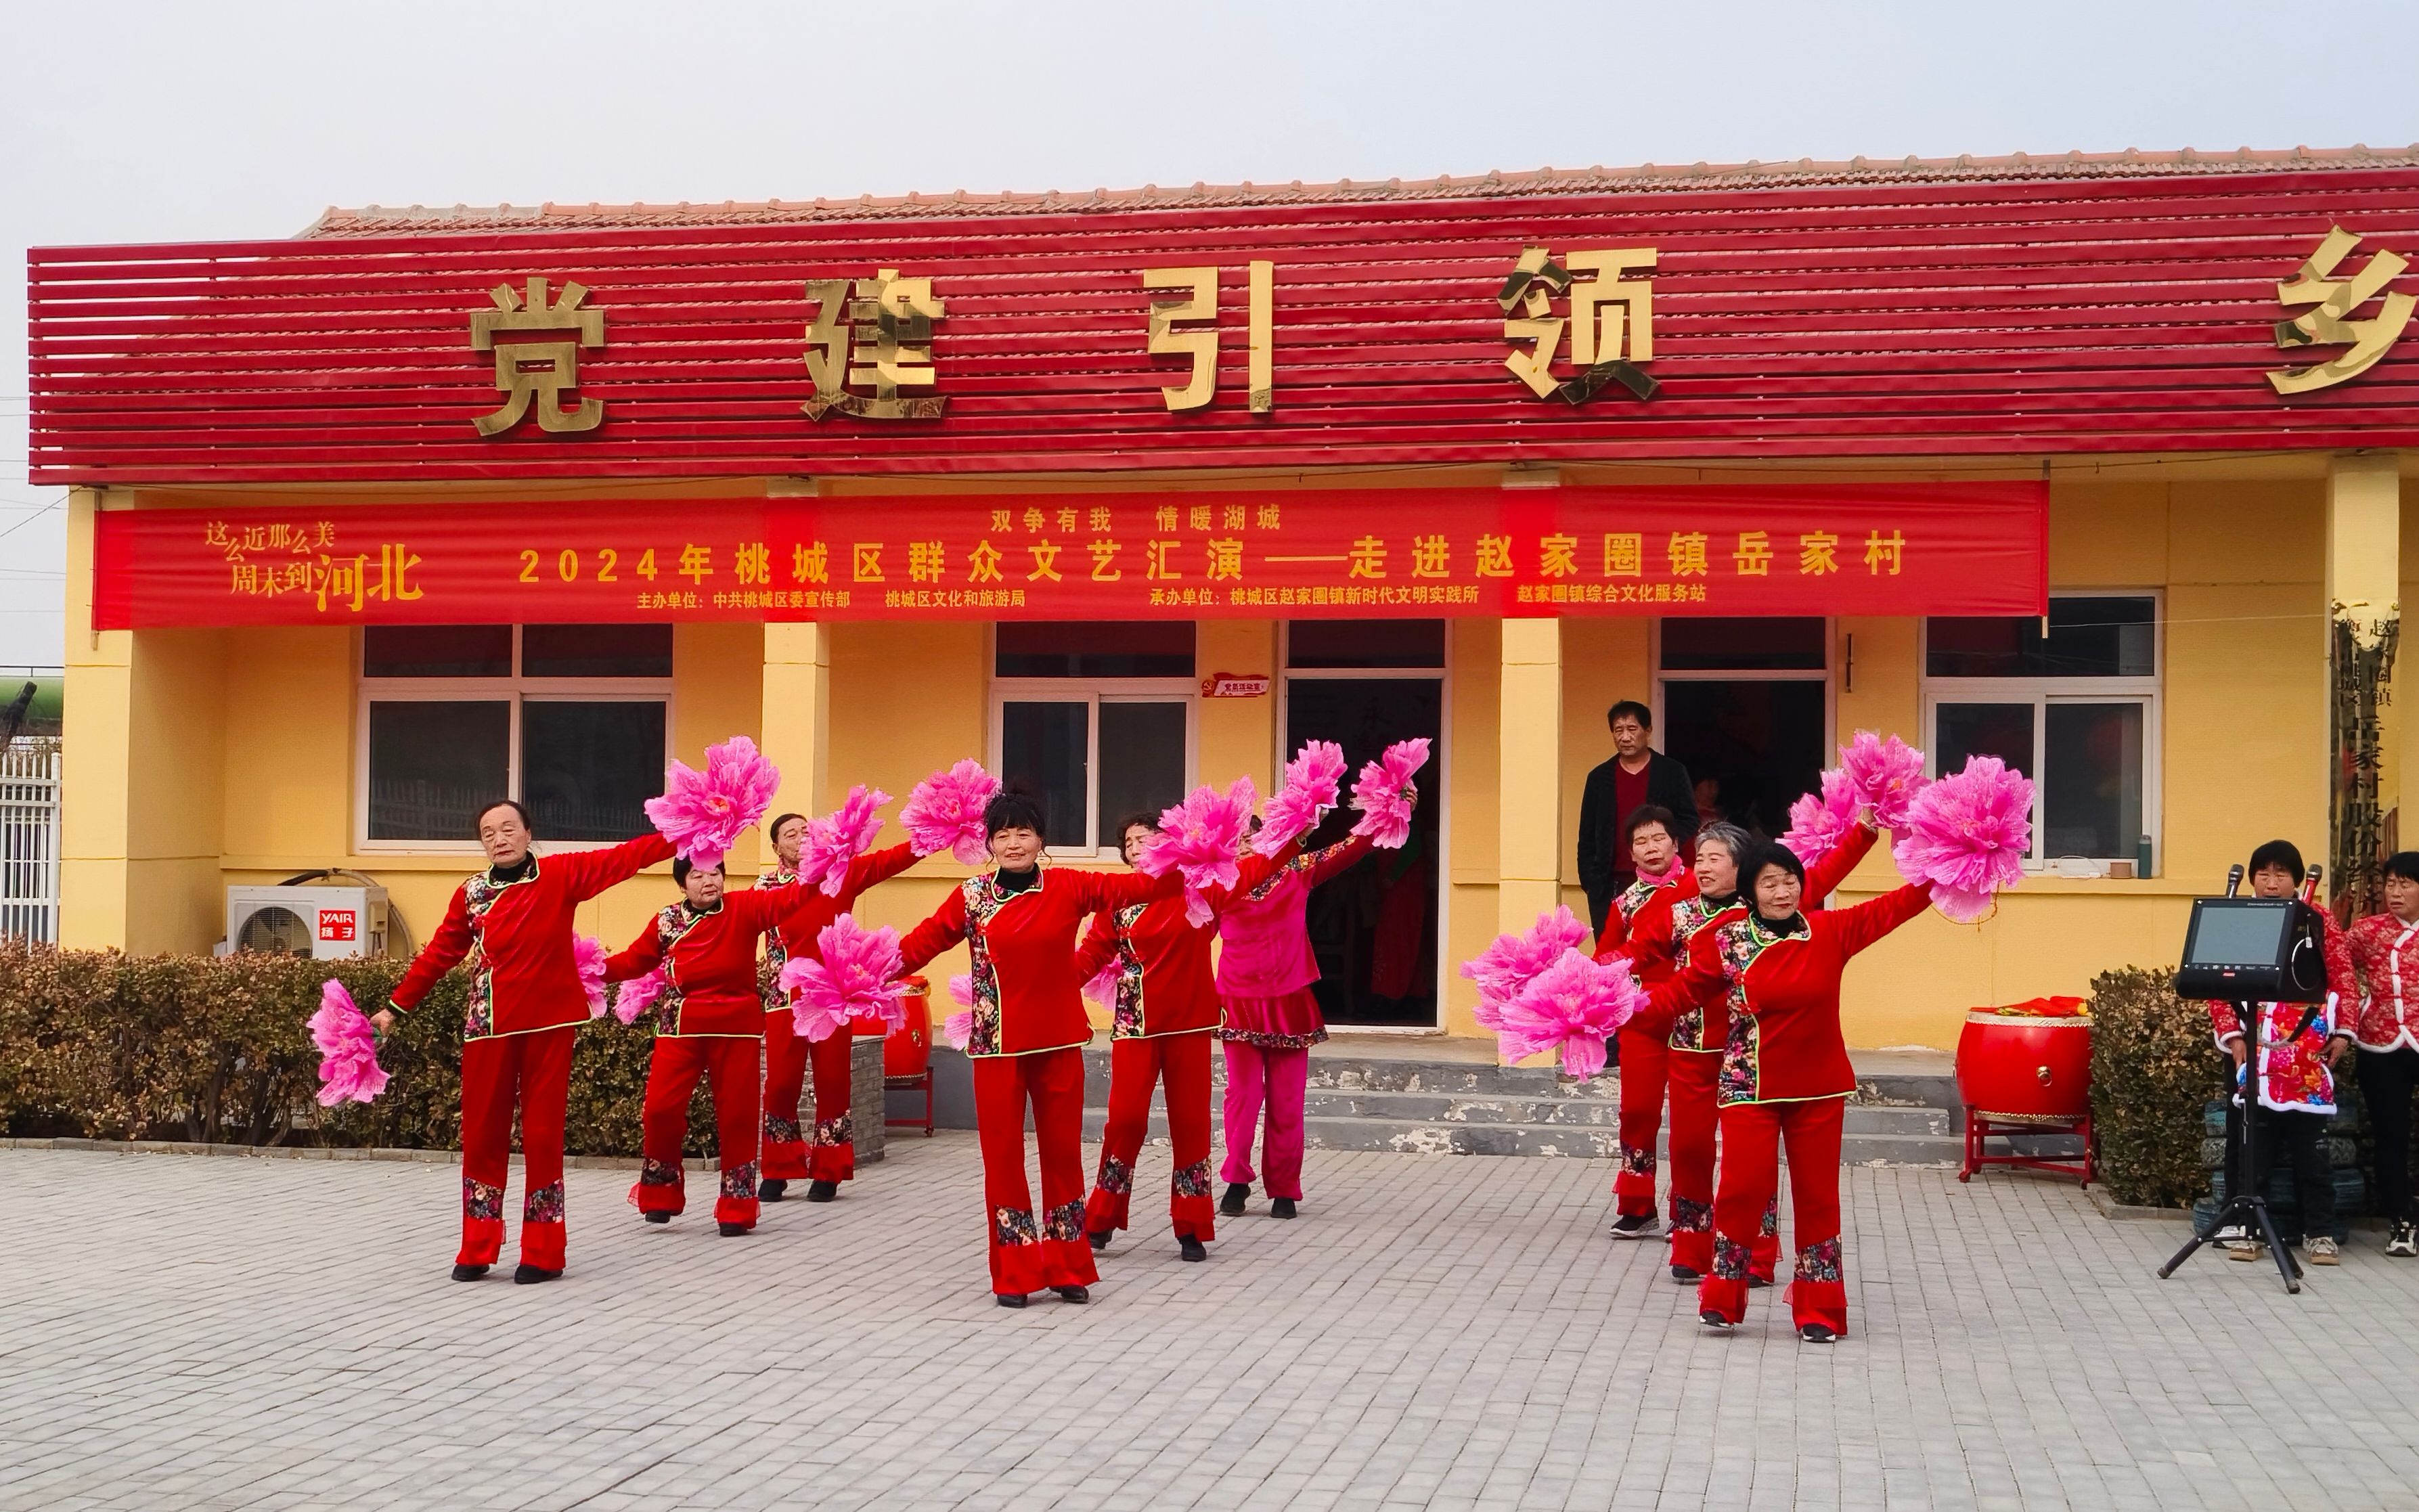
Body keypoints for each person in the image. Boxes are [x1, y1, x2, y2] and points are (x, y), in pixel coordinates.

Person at [897, 787, 1180, 1308]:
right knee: (1004, 1160)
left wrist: (1201, 859)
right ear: (989, 843)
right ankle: (1016, 1272)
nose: (1013, 844)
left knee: (1063, 1156)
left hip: (1059, 1042)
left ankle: (1068, 1265)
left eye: (1023, 833)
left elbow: (1142, 886)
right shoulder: (971, 897)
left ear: (1041, 839)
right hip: (997, 1046)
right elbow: (923, 943)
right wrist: (864, 974)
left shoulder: (1070, 885)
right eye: (1002, 835)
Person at [378, 800, 672, 1284]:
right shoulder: (471, 894)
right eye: (488, 833)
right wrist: (395, 1007)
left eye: (508, 828)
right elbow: (439, 955)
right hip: (489, 1025)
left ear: (528, 832)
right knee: (481, 1135)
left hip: (548, 1025)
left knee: (542, 1135)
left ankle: (543, 1250)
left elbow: (627, 857)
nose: (499, 839)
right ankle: (478, 1245)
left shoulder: (561, 875)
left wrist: (689, 832)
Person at [1651, 842, 1934, 1341]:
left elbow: (1899, 905)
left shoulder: (1831, 931)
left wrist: (1953, 867)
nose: (1782, 892)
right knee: (1742, 1190)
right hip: (1750, 1085)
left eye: (1790, 881)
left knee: (1818, 1198)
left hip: (1818, 1089)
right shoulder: (1728, 941)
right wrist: (1610, 1009)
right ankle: (1723, 1296)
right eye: (1769, 883)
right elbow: (1680, 993)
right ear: (1750, 891)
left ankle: (1819, 1308)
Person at [1637, 818, 1876, 1277]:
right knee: (1691, 1151)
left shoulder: (1787, 905)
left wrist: (1865, 830)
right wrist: (1597, 998)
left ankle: (1760, 1256)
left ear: (1739, 867)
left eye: (1715, 858)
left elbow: (1831, 871)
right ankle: (1691, 1246)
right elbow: (1643, 963)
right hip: (1693, 1049)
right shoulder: (1682, 914)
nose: (1703, 867)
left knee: (1755, 1170)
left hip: (1748, 1058)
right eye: (1699, 858)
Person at [1072, 814, 1289, 1261]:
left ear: (1168, 843)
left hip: (1190, 1025)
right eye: (1128, 842)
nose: (1136, 847)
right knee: (1125, 1121)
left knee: (1190, 1125)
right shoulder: (1118, 900)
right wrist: (1044, 984)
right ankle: (1103, 1217)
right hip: (1136, 1024)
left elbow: (1257, 870)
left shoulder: (1199, 890)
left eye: (1144, 838)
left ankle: (1192, 1225)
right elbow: (1091, 954)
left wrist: (1297, 834)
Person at [1215, 793, 1415, 1220]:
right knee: (1243, 1097)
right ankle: (1236, 1179)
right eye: (1235, 839)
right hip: (1239, 999)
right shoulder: (1218, 885)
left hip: (1290, 999)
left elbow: (1354, 845)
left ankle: (1284, 1188)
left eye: (1251, 836)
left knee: (1287, 1102)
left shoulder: (1296, 870)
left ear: (1267, 839)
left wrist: (1392, 809)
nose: (1244, 844)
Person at [606, 857, 824, 1236]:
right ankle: (661, 1191)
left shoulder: (745, 907)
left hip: (735, 1029)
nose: (709, 881)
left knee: (738, 1119)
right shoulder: (667, 920)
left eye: (715, 873)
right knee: (659, 1111)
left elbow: (793, 897)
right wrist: (589, 970)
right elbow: (634, 961)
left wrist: (827, 863)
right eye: (698, 875)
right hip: (680, 1027)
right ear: (682, 885)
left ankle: (737, 1207)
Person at [753, 813, 919, 1203]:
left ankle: (829, 1170)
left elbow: (890, 860)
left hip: (833, 998)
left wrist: (930, 839)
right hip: (785, 999)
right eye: (791, 834)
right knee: (780, 1085)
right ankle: (778, 1167)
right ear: (776, 847)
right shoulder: (764, 889)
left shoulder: (841, 874)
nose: (801, 838)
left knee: (832, 1083)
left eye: (806, 831)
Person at [2207, 839, 2353, 1265]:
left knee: (2311, 1150)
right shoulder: (2238, 918)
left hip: (2306, 1051)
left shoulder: (2319, 919)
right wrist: (2233, 1037)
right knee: (2248, 1143)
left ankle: (2320, 1232)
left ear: (2298, 880)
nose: (2271, 884)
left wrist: (2342, 1033)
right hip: (2249, 1049)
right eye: (2263, 874)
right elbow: (2218, 982)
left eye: (2281, 875)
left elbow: (2342, 979)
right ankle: (2244, 1224)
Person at [1597, 805, 1686, 1237]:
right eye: (1641, 842)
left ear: (1676, 843)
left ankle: (1689, 1211)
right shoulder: (1625, 904)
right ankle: (1637, 1205)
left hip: (1693, 1018)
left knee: (1690, 1123)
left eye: (1658, 838)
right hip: (1641, 1020)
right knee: (1636, 1112)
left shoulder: (1702, 889)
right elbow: (1603, 959)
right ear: (1631, 854)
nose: (1651, 848)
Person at [2345, 849, 2419, 1258]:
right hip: (2381, 1044)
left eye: (2406, 884)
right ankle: (2401, 1222)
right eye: (2391, 883)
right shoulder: (2368, 931)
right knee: (2391, 1137)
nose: (2395, 892)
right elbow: (2333, 964)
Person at [1576, 701, 1698, 937]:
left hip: (1662, 879)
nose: (1625, 737)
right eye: (1618, 730)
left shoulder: (1671, 772)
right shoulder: (1599, 778)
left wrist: (1664, 846)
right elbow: (1587, 835)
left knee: (1660, 947)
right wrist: (1590, 881)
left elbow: (1690, 819)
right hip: (1610, 883)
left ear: (1648, 730)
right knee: (1611, 949)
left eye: (1632, 729)